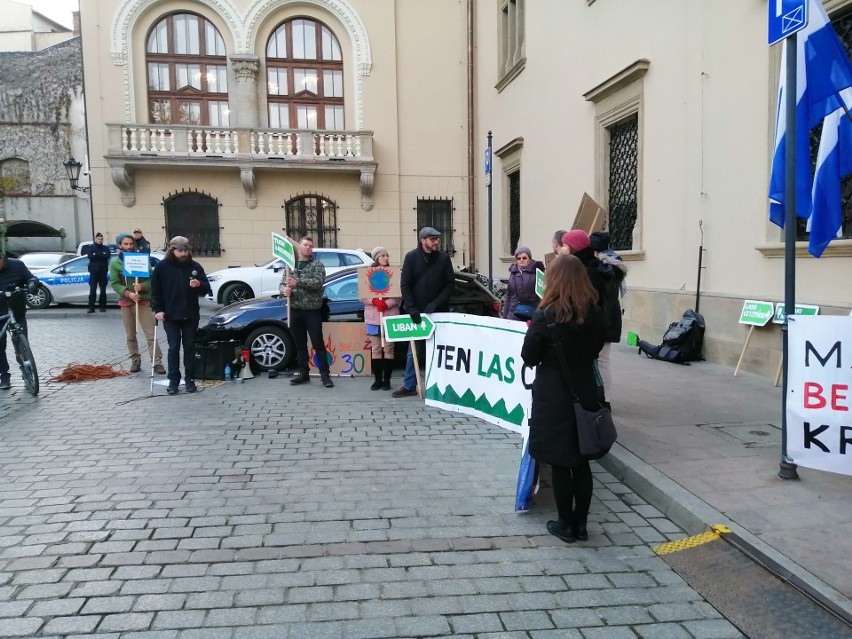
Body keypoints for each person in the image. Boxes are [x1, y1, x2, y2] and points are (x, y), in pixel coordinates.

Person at [521, 254, 606, 543]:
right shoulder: (594, 312)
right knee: (582, 461)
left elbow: (529, 356)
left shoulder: (545, 315)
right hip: (585, 390)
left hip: (554, 395)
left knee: (560, 461)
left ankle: (565, 523)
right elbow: (595, 349)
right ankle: (581, 526)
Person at [392, 227, 454, 398]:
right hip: (417, 313)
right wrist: (411, 308)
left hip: (438, 312)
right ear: (423, 240)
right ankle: (410, 384)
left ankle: (439, 385)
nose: (436, 242)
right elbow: (405, 285)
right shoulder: (411, 257)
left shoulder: (443, 258)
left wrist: (435, 304)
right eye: (433, 239)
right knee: (413, 351)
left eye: (437, 239)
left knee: (439, 350)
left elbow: (450, 285)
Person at [563, 230, 626, 396]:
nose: (562, 248)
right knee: (598, 361)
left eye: (565, 245)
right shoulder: (594, 267)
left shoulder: (592, 271)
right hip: (603, 320)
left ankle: (604, 399)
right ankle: (600, 397)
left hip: (601, 322)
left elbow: (590, 301)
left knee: (602, 361)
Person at [151, 236, 211, 395]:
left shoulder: (195, 266)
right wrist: (157, 310)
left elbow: (206, 288)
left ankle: (190, 379)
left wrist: (199, 285)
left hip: (190, 314)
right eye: (180, 250)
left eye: (185, 250)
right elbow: (155, 291)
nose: (183, 253)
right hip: (170, 314)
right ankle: (173, 381)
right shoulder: (162, 267)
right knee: (173, 347)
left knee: (190, 347)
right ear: (172, 250)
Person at [281, 236, 334, 388]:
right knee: (300, 344)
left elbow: (317, 283)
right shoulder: (290, 266)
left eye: (310, 246)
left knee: (318, 344)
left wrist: (298, 282)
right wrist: (284, 290)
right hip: (295, 310)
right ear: (299, 247)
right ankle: (303, 373)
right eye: (305, 245)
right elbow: (281, 283)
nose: (308, 248)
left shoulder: (317, 265)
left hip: (312, 311)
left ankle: (325, 375)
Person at [111, 233, 165, 375]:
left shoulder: (141, 260)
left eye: (130, 244)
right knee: (131, 334)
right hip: (127, 302)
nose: (128, 247)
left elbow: (151, 279)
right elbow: (115, 283)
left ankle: (157, 361)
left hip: (143, 301)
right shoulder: (115, 263)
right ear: (120, 246)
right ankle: (135, 359)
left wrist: (142, 287)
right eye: (125, 244)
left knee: (150, 333)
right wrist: (128, 293)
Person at [360, 246, 401, 390]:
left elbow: (397, 296)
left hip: (389, 317)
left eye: (387, 255)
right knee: (376, 348)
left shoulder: (393, 275)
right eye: (383, 255)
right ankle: (377, 379)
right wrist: (374, 301)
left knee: (389, 348)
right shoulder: (367, 275)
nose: (386, 258)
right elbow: (363, 296)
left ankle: (387, 380)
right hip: (373, 317)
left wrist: (387, 303)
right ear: (377, 258)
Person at [0, 253, 40, 390]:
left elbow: (31, 277)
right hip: (0, 310)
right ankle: (4, 375)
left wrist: (32, 284)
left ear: (3, 257)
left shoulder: (17, 265)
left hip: (17, 307)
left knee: (22, 341)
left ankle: (27, 372)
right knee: (0, 344)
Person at [501, 246, 545, 321]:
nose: (521, 260)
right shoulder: (513, 273)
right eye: (519, 258)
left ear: (529, 259)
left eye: (524, 258)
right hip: (513, 314)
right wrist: (505, 316)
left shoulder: (537, 272)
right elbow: (509, 296)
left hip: (530, 314)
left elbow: (542, 294)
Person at [86, 232, 111, 313]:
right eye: (98, 239)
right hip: (93, 273)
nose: (100, 240)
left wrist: (96, 255)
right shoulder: (91, 248)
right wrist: (101, 255)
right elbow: (90, 256)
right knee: (92, 290)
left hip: (103, 272)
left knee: (103, 290)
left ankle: (102, 307)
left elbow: (107, 256)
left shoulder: (105, 248)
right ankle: (91, 307)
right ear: (95, 239)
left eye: (101, 239)